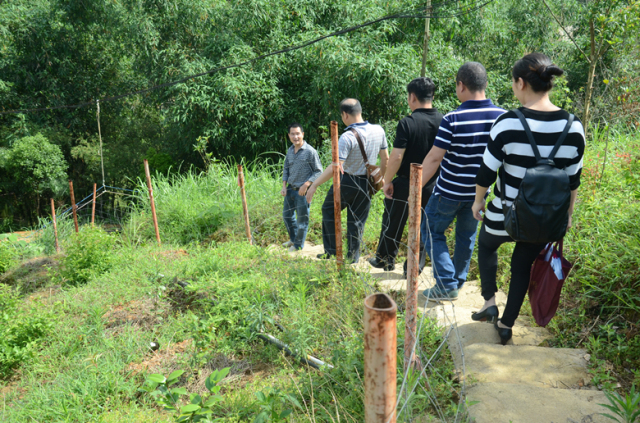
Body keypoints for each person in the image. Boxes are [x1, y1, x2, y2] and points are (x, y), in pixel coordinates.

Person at [471, 53, 585, 344]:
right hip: (544, 218)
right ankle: (507, 325)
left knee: (486, 244)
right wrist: (568, 215)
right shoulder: (573, 127)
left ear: (520, 83)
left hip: (505, 213)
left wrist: (477, 201)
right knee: (522, 264)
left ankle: (489, 301)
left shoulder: (507, 123)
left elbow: (487, 172)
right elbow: (573, 181)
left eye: (513, 82)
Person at [420, 62, 505, 300]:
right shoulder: (503, 118)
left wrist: (414, 190)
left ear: (461, 85)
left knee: (429, 230)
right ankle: (456, 281)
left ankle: (446, 284)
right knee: (466, 237)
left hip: (448, 191)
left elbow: (435, 158)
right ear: (485, 85)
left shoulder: (453, 118)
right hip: (478, 194)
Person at [368, 77, 443, 273]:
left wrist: (388, 181)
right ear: (432, 96)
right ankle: (414, 267)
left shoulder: (408, 123)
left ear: (412, 97)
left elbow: (396, 156)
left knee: (394, 220)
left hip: (404, 182)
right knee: (423, 225)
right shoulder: (444, 121)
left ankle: (385, 259)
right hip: (433, 183)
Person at [305, 99, 389, 263]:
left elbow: (335, 167)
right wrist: (380, 179)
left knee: (328, 209)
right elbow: (385, 158)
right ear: (360, 110)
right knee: (357, 221)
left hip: (348, 181)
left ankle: (331, 252)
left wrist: (314, 185)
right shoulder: (378, 130)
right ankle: (352, 258)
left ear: (344, 115)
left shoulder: (347, 136)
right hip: (368, 183)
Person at [281, 123, 322, 251]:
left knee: (302, 220)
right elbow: (286, 168)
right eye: (292, 134)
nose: (295, 136)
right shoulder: (290, 150)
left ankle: (298, 245)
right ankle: (293, 240)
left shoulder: (310, 151)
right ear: (289, 136)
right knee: (287, 216)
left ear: (302, 134)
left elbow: (318, 171)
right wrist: (283, 186)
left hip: (303, 192)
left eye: (298, 133)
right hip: (289, 189)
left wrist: (306, 184)